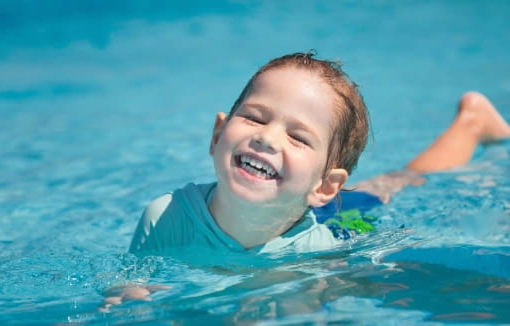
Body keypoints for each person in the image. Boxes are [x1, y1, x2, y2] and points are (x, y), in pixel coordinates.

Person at [100, 52, 510, 311]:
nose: (266, 136)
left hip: (339, 223)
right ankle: (470, 123)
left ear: (325, 184)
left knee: (398, 185)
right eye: (255, 117)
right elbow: (134, 287)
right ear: (216, 136)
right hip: (305, 200)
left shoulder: (323, 254)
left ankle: (471, 123)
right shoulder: (165, 216)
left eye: (297, 137)